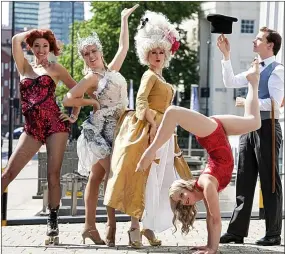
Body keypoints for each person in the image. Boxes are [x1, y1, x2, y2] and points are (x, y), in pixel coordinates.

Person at [136, 58, 261, 254]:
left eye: (181, 196)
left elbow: (215, 218)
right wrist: (209, 246)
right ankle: (253, 80)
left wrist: (212, 248)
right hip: (219, 134)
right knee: (254, 123)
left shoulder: (207, 184)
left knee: (172, 112)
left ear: (187, 187)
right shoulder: (203, 190)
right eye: (179, 201)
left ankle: (151, 151)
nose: (183, 201)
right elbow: (211, 218)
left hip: (211, 135)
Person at [104, 11, 192, 249]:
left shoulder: (163, 78)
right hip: (150, 131)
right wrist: (153, 125)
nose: (158, 55)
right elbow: (141, 101)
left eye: (161, 51)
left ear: (166, 54)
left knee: (162, 180)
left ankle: (148, 227)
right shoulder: (148, 75)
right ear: (147, 54)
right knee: (144, 178)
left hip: (165, 134)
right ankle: (134, 226)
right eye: (153, 52)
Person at [62, 4, 139, 247]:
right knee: (111, 175)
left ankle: (88, 227)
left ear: (100, 50)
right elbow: (67, 98)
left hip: (118, 129)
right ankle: (110, 225)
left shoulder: (111, 70)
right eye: (86, 54)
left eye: (93, 50)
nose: (91, 56)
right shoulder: (91, 77)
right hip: (98, 131)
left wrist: (124, 18)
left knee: (97, 177)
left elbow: (124, 47)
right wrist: (91, 103)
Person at [1, 29, 80, 244]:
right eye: (37, 45)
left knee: (52, 176)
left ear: (50, 47)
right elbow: (17, 39)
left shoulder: (55, 68)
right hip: (32, 128)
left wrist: (73, 115)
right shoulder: (24, 66)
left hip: (55, 125)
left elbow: (77, 91)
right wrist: (33, 32)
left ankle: (52, 221)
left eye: (45, 45)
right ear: (31, 47)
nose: (41, 50)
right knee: (7, 174)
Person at [217, 27, 283, 246]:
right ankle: (237, 232)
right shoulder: (254, 67)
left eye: (258, 39)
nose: (254, 41)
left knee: (269, 181)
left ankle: (273, 233)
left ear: (270, 45)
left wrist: (247, 102)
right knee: (244, 180)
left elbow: (275, 103)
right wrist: (226, 56)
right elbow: (229, 82)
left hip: (267, 127)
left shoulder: (278, 70)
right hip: (248, 128)